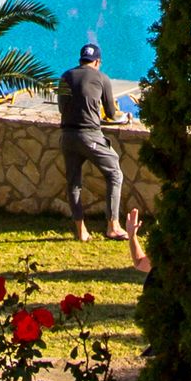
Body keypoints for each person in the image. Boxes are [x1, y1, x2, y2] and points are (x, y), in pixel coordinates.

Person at [53, 42, 125, 241]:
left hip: (67, 136)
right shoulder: (102, 78)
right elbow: (111, 113)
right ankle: (113, 225)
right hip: (90, 135)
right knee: (114, 174)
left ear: (81, 59)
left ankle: (81, 230)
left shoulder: (65, 77)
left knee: (74, 184)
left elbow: (62, 108)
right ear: (97, 61)